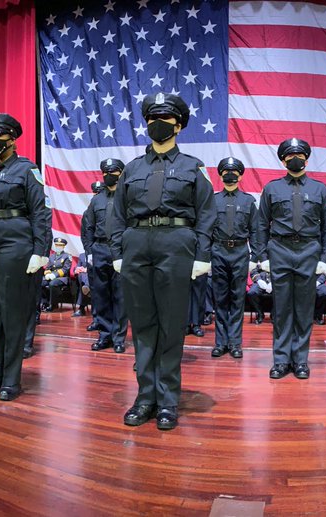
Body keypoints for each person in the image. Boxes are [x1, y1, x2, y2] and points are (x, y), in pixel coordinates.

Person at [109, 93, 215, 430]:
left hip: (176, 243)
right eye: (153, 118)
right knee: (142, 326)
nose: (158, 124)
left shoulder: (193, 167)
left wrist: (202, 255)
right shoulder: (132, 169)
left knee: (170, 326)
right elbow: (118, 214)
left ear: (178, 125)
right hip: (137, 244)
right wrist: (117, 252)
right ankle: (145, 398)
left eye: (166, 119)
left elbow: (207, 214)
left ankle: (168, 400)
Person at [0, 113, 52, 401]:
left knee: (12, 311)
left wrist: (40, 250)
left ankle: (11, 379)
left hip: (15, 241)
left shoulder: (27, 171)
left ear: (12, 139)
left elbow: (41, 212)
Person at [255, 138, 326, 380]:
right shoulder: (272, 189)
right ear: (283, 160)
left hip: (309, 251)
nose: (295, 159)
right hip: (279, 249)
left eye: (299, 155)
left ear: (307, 159)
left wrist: (325, 258)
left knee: (303, 308)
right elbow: (261, 224)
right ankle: (281, 360)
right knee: (281, 309)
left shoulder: (320, 190)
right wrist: (262, 256)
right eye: (290, 156)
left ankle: (300, 360)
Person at [209, 157, 261, 360]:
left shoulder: (248, 201)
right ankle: (221, 343)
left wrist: (255, 258)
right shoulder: (213, 201)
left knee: (238, 299)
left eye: (234, 171)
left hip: (240, 252)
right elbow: (206, 229)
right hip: (219, 251)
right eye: (226, 171)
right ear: (221, 175)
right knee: (220, 299)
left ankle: (235, 342)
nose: (230, 174)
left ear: (240, 175)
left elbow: (256, 231)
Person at [82, 158, 130, 353]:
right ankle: (104, 335)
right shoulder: (97, 199)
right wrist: (90, 251)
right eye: (106, 173)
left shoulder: (127, 198)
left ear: (121, 173)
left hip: (120, 251)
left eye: (113, 172)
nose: (109, 176)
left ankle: (119, 338)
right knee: (101, 295)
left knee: (120, 296)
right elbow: (88, 227)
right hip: (100, 250)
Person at [41, 237, 74, 311]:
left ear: (63, 246)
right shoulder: (52, 256)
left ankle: (53, 304)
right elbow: (48, 268)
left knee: (52, 283)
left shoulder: (67, 256)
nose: (58, 247)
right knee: (41, 282)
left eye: (60, 245)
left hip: (62, 278)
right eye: (57, 245)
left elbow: (65, 269)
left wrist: (54, 275)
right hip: (51, 276)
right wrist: (47, 274)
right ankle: (45, 303)